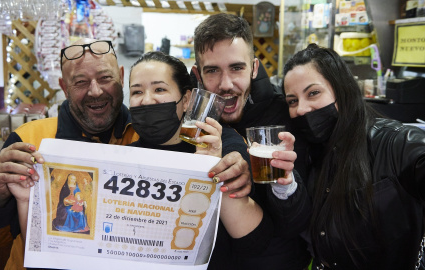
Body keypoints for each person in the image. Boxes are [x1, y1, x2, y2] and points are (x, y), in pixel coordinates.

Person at [0, 38, 260, 269]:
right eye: (81, 82)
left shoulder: (147, 134)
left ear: (119, 78)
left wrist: (233, 162)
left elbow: (222, 144)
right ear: (64, 88)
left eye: (105, 78)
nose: (95, 91)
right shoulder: (33, 138)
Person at [128, 51, 300, 266]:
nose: (146, 100)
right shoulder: (124, 156)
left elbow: (255, 242)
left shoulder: (221, 146)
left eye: (159, 89)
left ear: (187, 99)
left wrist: (211, 169)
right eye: (136, 92)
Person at [282, 43, 425, 270]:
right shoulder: (308, 153)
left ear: (342, 89)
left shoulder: (393, 142)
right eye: (292, 100)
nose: (301, 109)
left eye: (313, 93)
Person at [191, 13, 311, 269]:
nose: (226, 84)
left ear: (254, 68)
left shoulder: (287, 113)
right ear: (197, 74)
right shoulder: (189, 119)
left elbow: (299, 222)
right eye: (212, 70)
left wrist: (285, 183)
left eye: (237, 68)